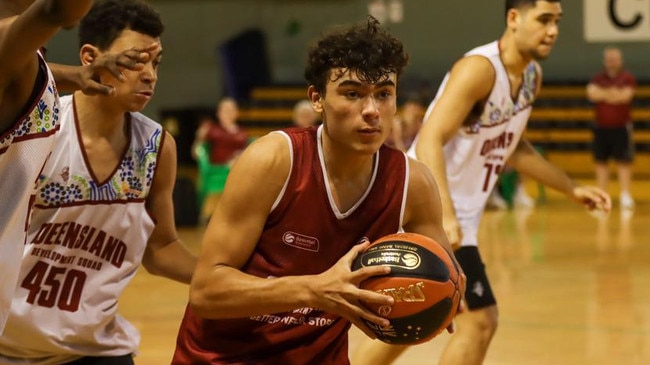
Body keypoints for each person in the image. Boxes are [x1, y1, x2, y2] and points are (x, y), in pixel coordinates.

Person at [172, 17, 464, 365]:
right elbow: (206, 291)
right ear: (317, 99)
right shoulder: (274, 160)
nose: (371, 110)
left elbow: (446, 281)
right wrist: (315, 290)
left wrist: (435, 301)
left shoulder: (412, 183)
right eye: (352, 94)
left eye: (384, 94)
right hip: (222, 358)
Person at [352, 1, 612, 365]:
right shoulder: (479, 69)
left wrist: (571, 188)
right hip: (425, 203)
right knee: (481, 320)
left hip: (457, 212)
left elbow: (513, 148)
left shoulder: (531, 77)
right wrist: (442, 217)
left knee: (418, 315)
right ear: (513, 18)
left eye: (557, 21)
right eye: (544, 20)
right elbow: (430, 138)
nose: (553, 30)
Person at [0, 1, 197, 363]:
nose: (150, 75)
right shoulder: (40, 124)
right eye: (136, 61)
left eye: (156, 63)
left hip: (95, 350)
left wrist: (231, 277)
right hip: (9, 347)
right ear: (91, 56)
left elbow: (162, 247)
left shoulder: (156, 146)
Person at [586, 47, 636, 210]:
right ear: (605, 61)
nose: (612, 62)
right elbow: (592, 94)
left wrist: (604, 94)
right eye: (609, 59)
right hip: (601, 127)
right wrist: (613, 93)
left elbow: (625, 97)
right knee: (601, 162)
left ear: (620, 61)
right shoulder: (597, 78)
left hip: (621, 128)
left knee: (624, 162)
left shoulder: (627, 78)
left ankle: (625, 195)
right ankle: (601, 195)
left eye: (615, 59)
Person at [192, 96, 248, 221]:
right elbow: (196, 153)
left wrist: (238, 158)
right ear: (218, 113)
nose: (228, 113)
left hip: (237, 169)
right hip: (216, 172)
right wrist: (199, 138)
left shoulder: (242, 132)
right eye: (225, 110)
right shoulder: (211, 130)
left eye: (231, 110)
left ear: (237, 113)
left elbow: (246, 151)